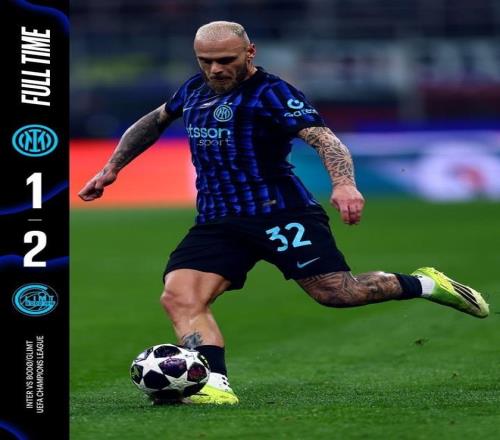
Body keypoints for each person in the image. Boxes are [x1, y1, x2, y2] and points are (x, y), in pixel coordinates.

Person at [78, 21, 489, 405]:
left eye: (226, 60)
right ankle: (213, 385)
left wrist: (344, 184)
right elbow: (154, 121)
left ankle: (426, 284)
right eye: (206, 61)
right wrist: (112, 167)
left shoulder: (273, 93)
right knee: (179, 296)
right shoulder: (194, 89)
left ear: (250, 52)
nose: (216, 69)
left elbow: (325, 140)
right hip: (219, 221)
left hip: (281, 213)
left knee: (338, 294)